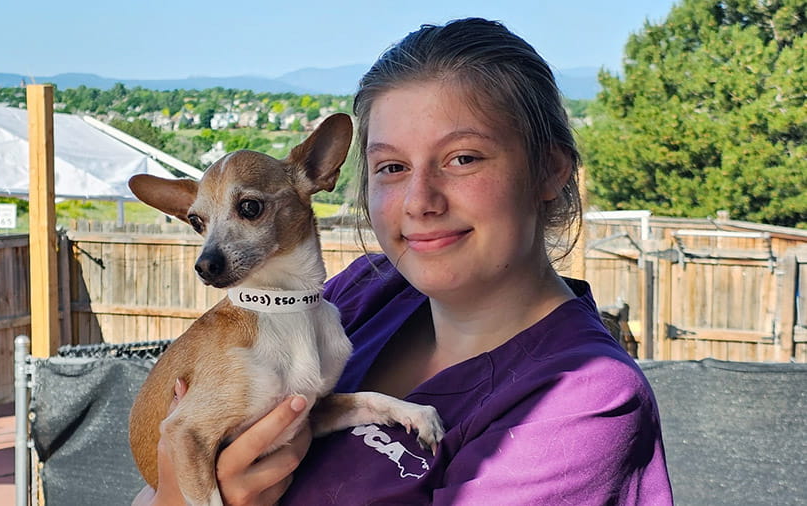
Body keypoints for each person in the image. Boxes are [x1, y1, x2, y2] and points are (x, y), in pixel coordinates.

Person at [135, 17, 673, 505]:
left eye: (462, 158)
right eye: (392, 167)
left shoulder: (581, 403)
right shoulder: (358, 296)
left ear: (550, 170)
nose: (420, 202)